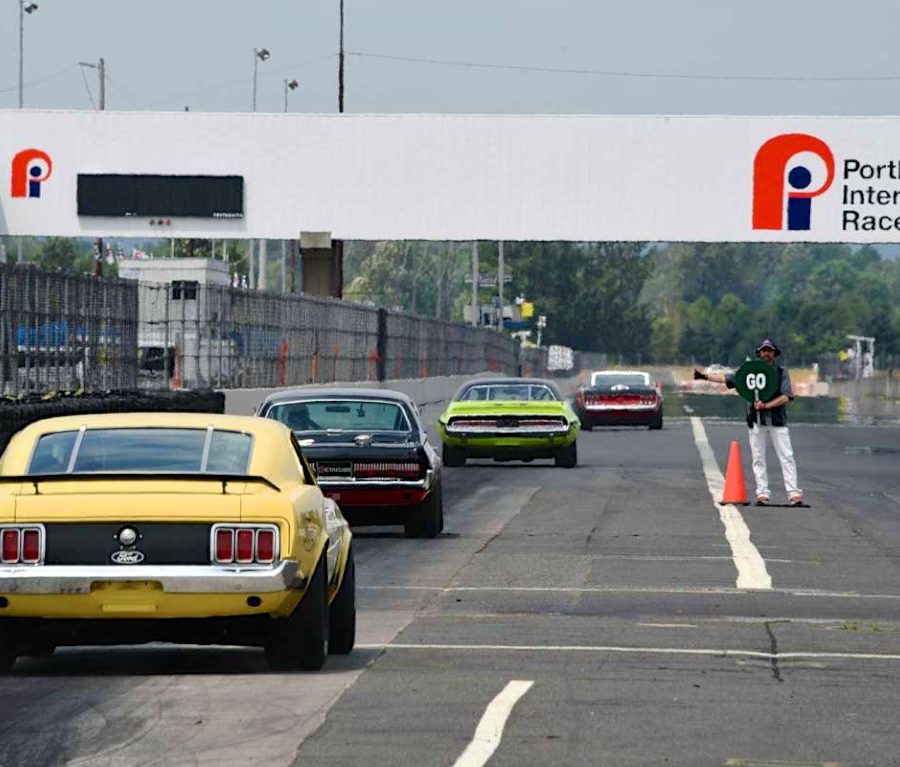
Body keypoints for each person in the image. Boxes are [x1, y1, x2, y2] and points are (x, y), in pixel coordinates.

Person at [694, 339, 803, 507]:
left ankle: (793, 493)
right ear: (759, 353)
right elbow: (728, 378)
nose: (767, 354)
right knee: (758, 458)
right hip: (756, 421)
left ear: (774, 353)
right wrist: (705, 376)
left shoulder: (781, 372)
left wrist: (766, 405)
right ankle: (762, 493)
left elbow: (786, 396)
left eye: (770, 351)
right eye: (764, 351)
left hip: (777, 421)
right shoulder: (749, 372)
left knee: (786, 456)